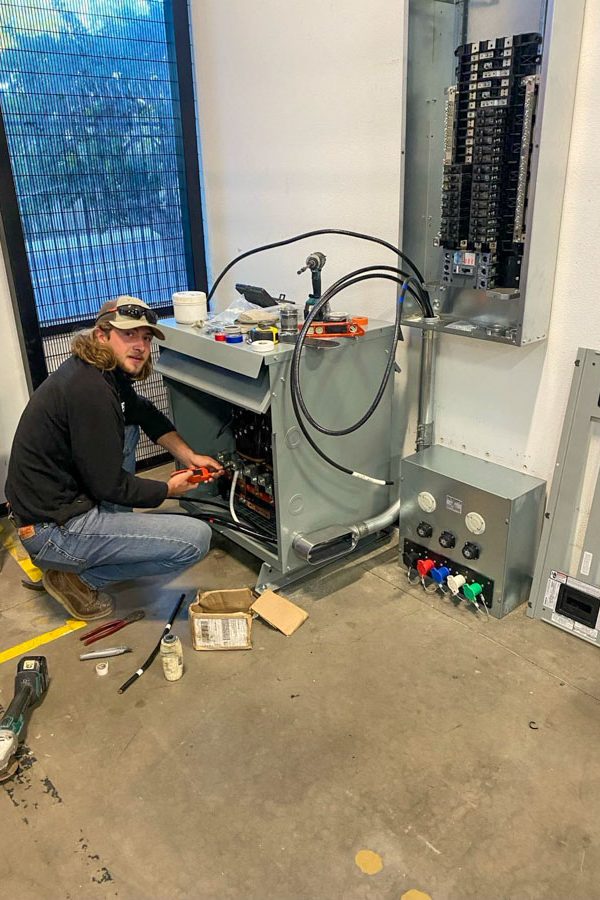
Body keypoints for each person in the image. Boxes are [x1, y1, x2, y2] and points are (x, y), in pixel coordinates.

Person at [5, 295, 222, 621]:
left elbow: (142, 411)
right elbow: (109, 484)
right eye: (128, 334)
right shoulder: (89, 391)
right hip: (51, 530)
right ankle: (76, 577)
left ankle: (92, 549)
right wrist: (168, 490)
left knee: (130, 425)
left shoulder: (96, 372)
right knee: (196, 539)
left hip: (53, 506)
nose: (140, 345)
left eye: (146, 338)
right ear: (101, 335)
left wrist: (188, 455)